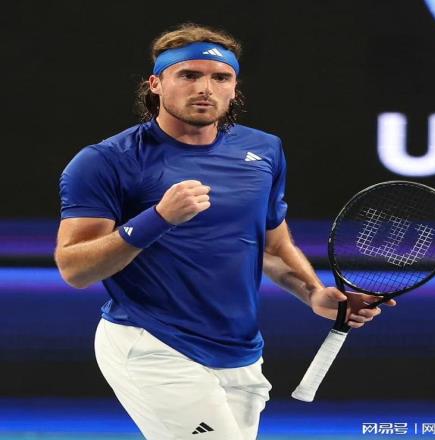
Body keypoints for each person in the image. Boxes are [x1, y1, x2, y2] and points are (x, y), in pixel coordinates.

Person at [54, 23, 395, 440]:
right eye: (189, 75)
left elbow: (272, 246)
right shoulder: (104, 161)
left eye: (220, 77)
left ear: (234, 88)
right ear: (156, 84)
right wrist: (157, 218)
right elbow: (75, 269)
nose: (205, 88)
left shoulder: (264, 150)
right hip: (152, 344)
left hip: (240, 353)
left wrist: (312, 293)